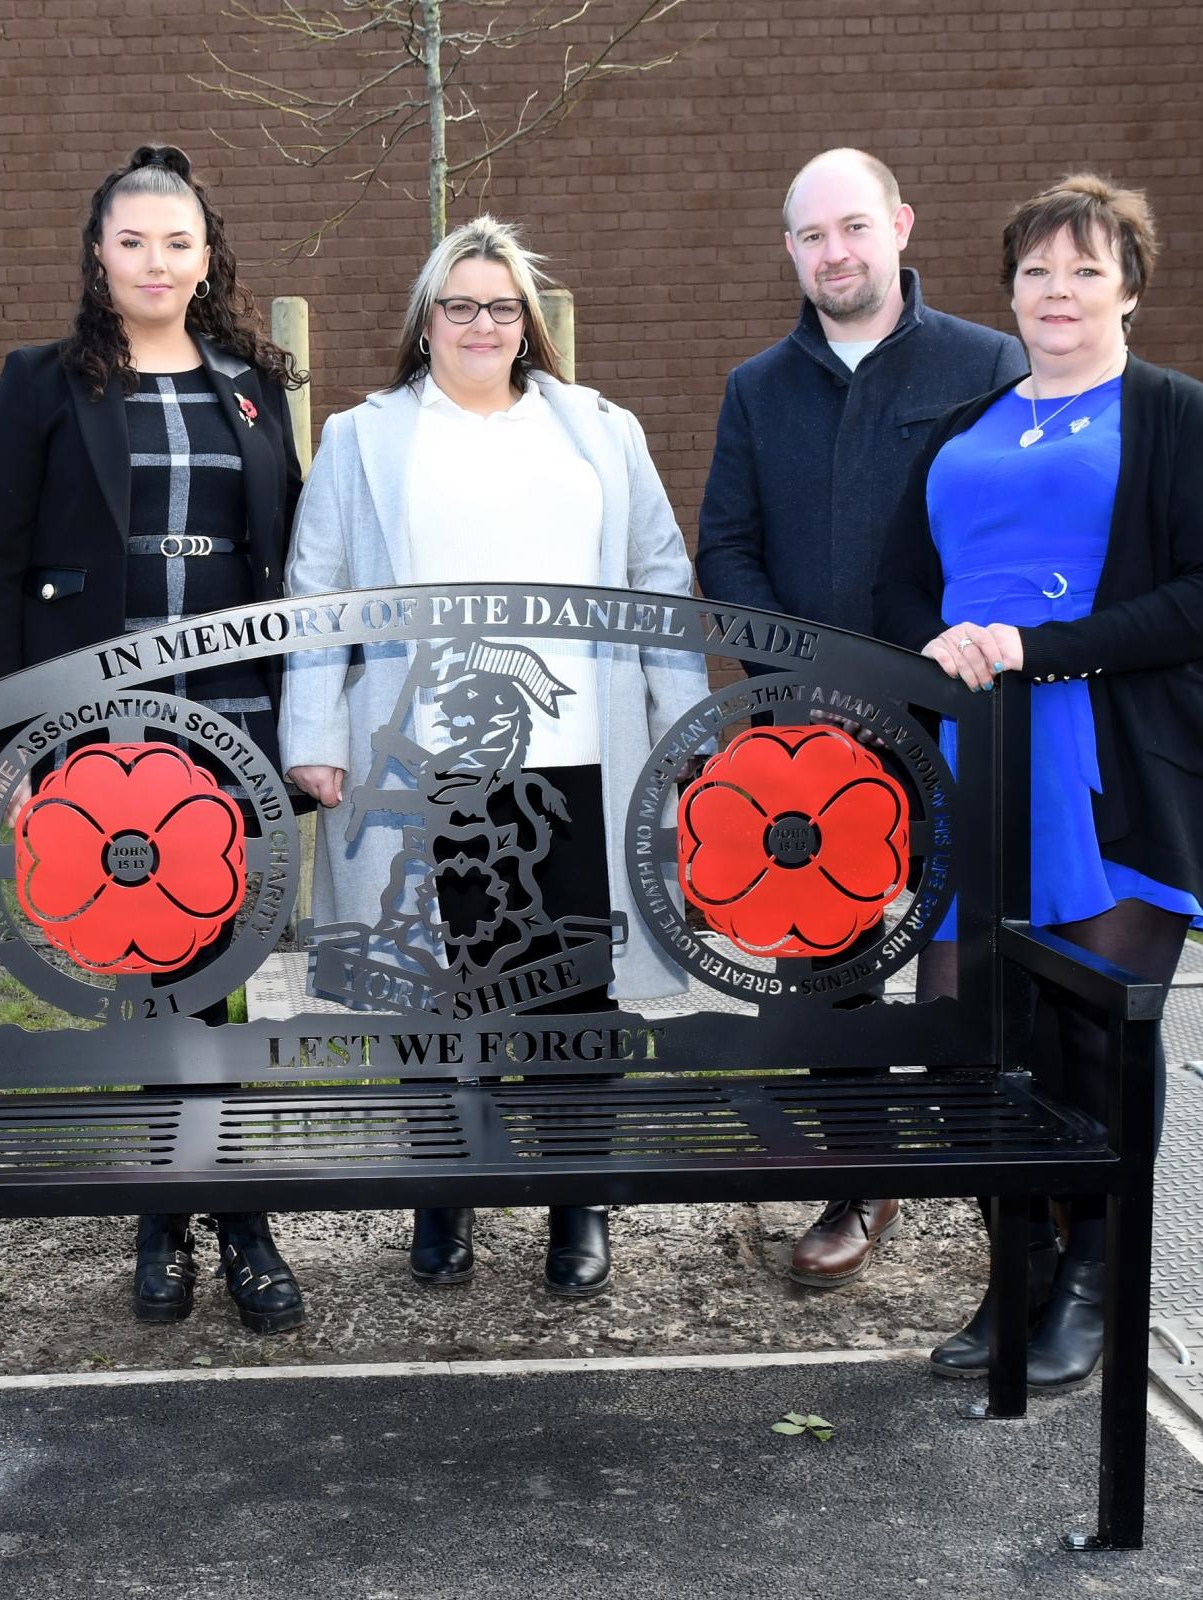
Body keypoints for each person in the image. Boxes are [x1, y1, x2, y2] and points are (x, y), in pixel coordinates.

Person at [874, 173, 1203, 1389]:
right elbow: (898, 587)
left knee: (1096, 1038)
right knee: (972, 1042)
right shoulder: (964, 427)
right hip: (974, 770)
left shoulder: (1174, 415)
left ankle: (1098, 1280)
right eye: (1039, 269)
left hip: (1117, 774)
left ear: (1130, 290)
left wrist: (1038, 648)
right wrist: (933, 647)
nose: (1059, 291)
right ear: (1010, 288)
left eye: (1088, 269)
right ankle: (1020, 1271)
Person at [280, 214, 706, 1297]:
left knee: (574, 992)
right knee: (438, 990)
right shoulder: (365, 438)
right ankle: (445, 1195)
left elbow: (661, 577)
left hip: (579, 758)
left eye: (500, 305)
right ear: (427, 323)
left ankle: (580, 1199)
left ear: (528, 325)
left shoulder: (599, 433)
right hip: (429, 769)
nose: (481, 321)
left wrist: (682, 730)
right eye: (459, 304)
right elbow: (317, 595)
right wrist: (317, 738)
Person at [0, 146, 309, 1336]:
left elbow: (292, 559)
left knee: (230, 952)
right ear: (97, 254)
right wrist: (12, 747)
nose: (155, 261)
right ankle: (184, 1212)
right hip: (98, 719)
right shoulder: (43, 382)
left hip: (233, 709)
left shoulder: (254, 382)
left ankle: (226, 1211)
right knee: (147, 955)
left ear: (207, 257)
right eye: (132, 241)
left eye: (177, 242)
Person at [696, 148, 1028, 1292]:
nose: (835, 253)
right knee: (826, 978)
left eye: (853, 227)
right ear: (789, 249)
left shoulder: (990, 365)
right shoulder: (757, 387)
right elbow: (727, 550)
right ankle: (861, 1174)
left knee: (963, 978)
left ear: (900, 223)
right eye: (810, 236)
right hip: (806, 741)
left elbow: (1007, 543)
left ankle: (1006, 1216)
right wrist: (800, 691)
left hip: (954, 726)